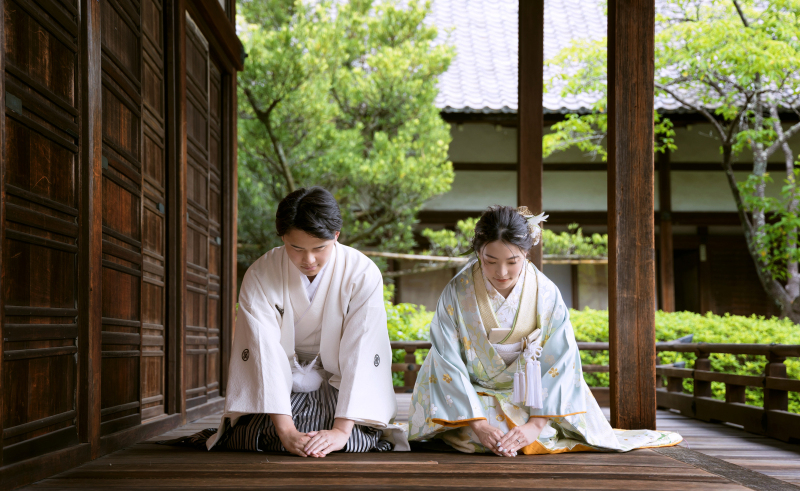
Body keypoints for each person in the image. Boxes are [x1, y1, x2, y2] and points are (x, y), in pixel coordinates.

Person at [407, 205, 682, 456]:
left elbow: (560, 359)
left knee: (537, 431)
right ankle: (481, 427)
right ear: (478, 252)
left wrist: (535, 425)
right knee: (475, 430)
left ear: (526, 252)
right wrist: (478, 424)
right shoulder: (457, 292)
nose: (501, 271)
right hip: (474, 395)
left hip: (532, 397)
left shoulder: (546, 293)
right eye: (490, 261)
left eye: (512, 261)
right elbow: (447, 359)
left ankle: (531, 430)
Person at [169, 187, 407, 456]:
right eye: (295, 247)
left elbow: (363, 348)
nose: (308, 260)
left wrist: (341, 430)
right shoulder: (261, 274)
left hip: (339, 383)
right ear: (282, 237)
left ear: (336, 236)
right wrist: (286, 431)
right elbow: (262, 349)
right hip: (281, 385)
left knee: (350, 440)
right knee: (271, 435)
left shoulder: (362, 273)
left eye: (319, 248)